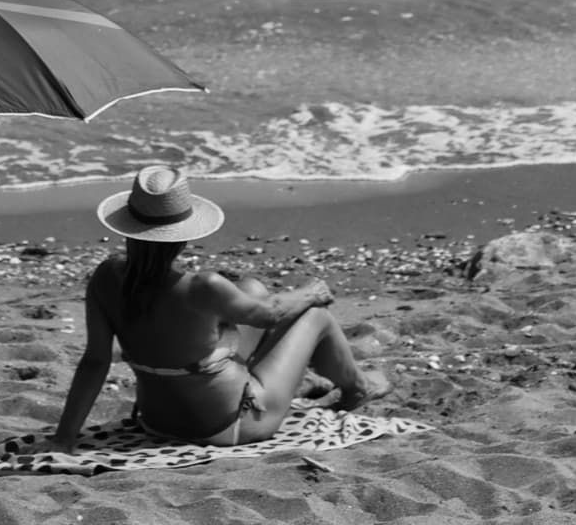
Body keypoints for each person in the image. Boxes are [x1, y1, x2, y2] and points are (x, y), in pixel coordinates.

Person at [51, 165, 388, 453]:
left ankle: (288, 377)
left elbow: (95, 361)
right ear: (183, 235)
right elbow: (270, 314)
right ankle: (357, 388)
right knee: (315, 317)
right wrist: (311, 293)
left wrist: (65, 438)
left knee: (252, 289)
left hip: (156, 421)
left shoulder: (107, 276)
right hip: (228, 425)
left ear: (127, 227)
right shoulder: (202, 287)